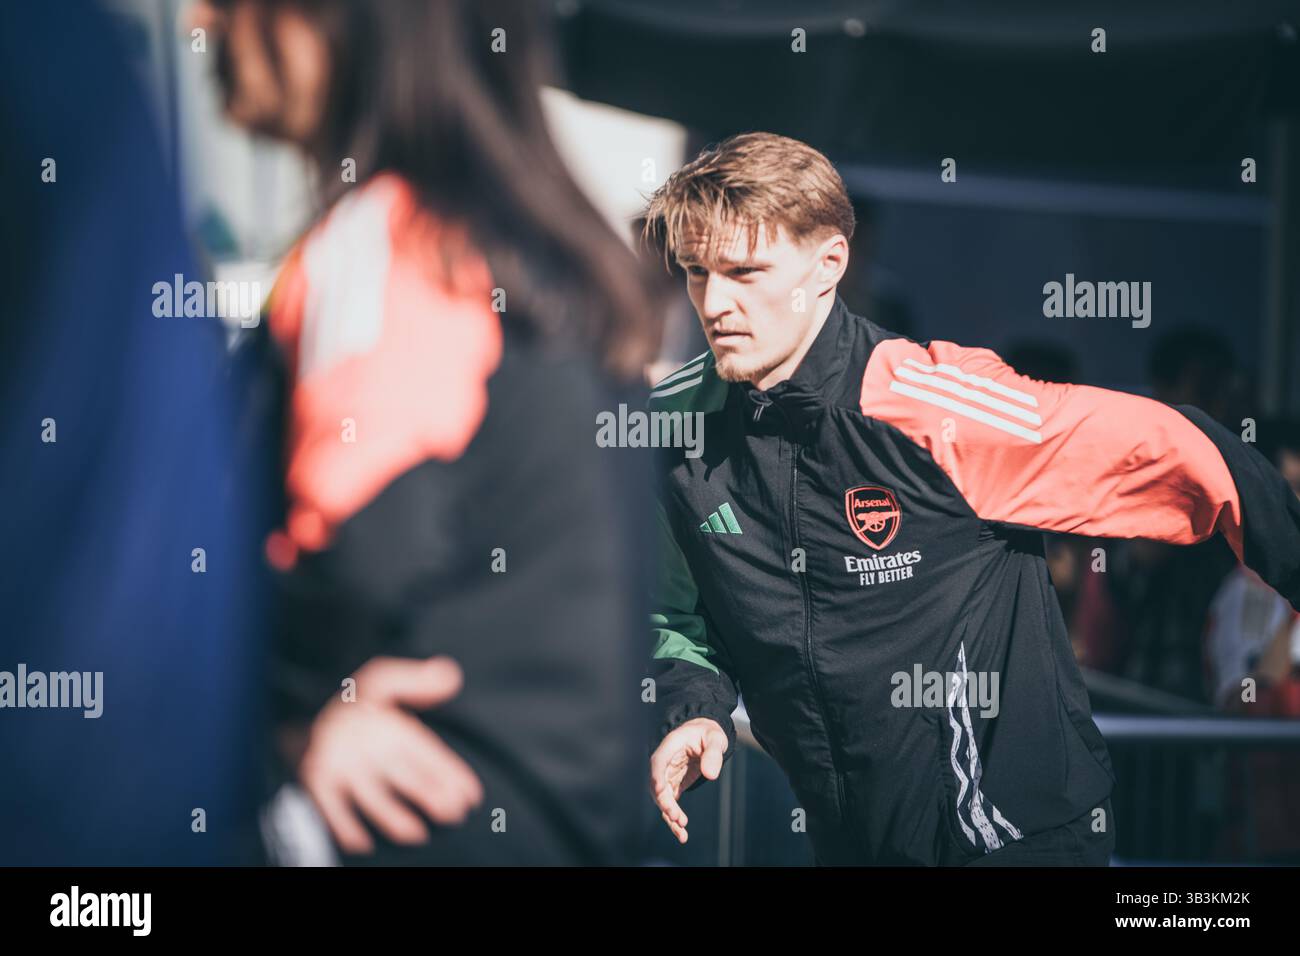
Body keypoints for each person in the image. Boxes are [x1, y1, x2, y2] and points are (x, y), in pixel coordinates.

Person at [640, 131, 1300, 866]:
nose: (714, 302)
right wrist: (695, 711)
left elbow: (1189, 451)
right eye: (697, 273)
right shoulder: (678, 425)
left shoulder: (934, 405)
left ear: (829, 264)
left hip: (1016, 839)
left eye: (745, 271)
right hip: (851, 843)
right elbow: (681, 614)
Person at [192, 0, 658, 864]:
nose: (201, 20)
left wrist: (290, 712)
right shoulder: (537, 251)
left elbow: (354, 548)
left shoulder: (389, 238)